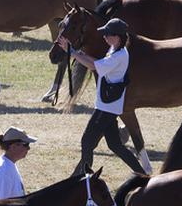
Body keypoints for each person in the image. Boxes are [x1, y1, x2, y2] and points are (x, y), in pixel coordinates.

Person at [57, 17, 146, 176]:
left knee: (87, 143)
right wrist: (78, 53)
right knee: (115, 146)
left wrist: (72, 52)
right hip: (109, 105)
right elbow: (97, 62)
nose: (104, 36)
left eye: (107, 34)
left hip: (106, 108)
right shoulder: (115, 50)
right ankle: (142, 173)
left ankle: (82, 177)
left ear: (117, 37)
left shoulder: (119, 55)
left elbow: (94, 66)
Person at [0, 127, 34, 200]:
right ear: (13, 146)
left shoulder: (8, 164)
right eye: (26, 144)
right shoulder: (3, 171)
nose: (28, 148)